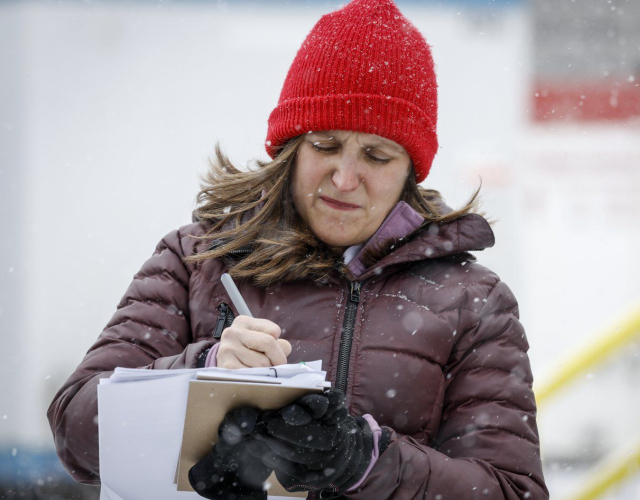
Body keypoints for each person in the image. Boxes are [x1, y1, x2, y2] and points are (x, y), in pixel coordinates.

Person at [48, 0, 549, 499]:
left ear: (409, 172)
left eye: (376, 155)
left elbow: (511, 491)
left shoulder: (473, 302)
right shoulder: (198, 258)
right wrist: (202, 375)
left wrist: (362, 458)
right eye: (326, 145)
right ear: (290, 147)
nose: (345, 178)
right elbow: (75, 433)